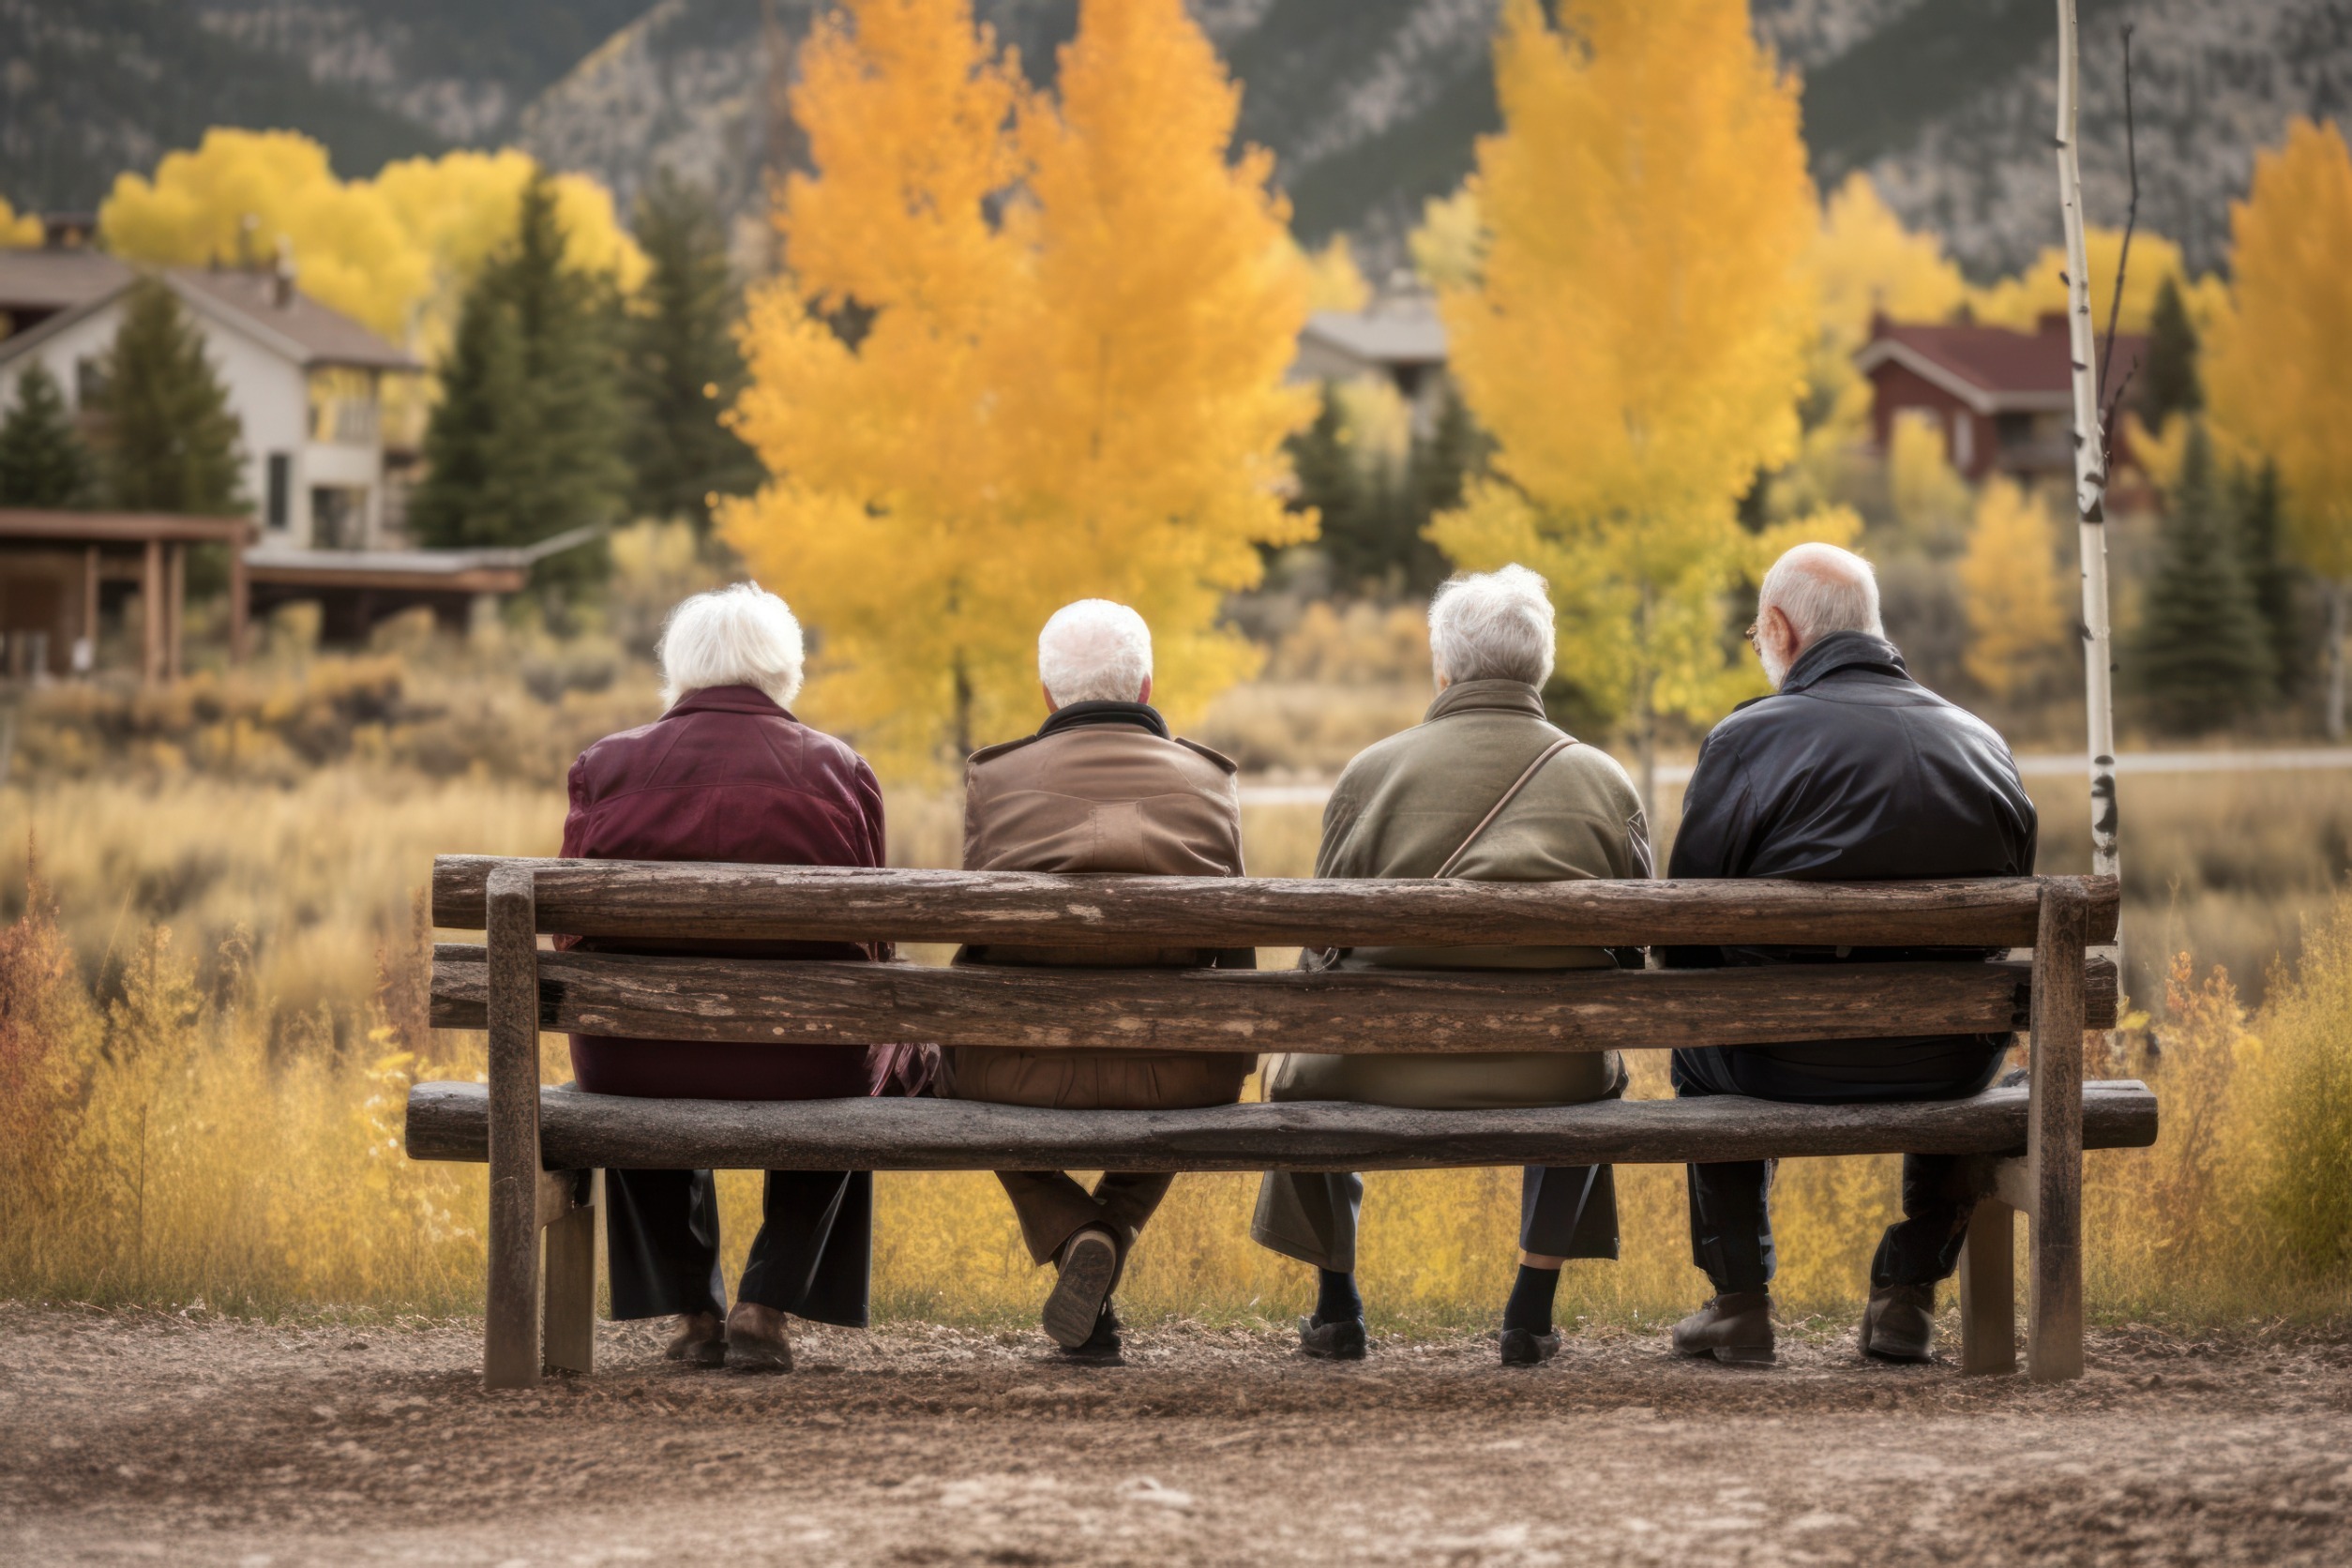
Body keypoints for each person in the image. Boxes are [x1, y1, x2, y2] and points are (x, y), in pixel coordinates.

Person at [1250, 565, 1651, 1367]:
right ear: (1540, 667)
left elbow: (1320, 947)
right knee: (1590, 1062)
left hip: (1372, 1070)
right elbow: (1637, 951)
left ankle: (1337, 1305)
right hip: (1551, 1072)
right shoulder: (1604, 782)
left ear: (1444, 668)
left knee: (1293, 1073)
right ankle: (1529, 1312)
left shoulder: (1370, 774)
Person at [1666, 542, 2038, 1366]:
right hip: (1950, 1063)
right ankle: (1907, 1288)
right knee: (1963, 1021)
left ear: (1778, 628)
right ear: (1872, 628)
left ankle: (1740, 1302)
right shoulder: (1983, 743)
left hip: (1774, 1061)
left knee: (1695, 1039)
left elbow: (1682, 929)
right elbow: (2005, 928)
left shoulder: (1746, 742)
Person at [558, 582, 897, 1373]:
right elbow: (874, 940)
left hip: (636, 1058)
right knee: (867, 1055)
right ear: (785, 671)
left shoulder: (605, 767)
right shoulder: (842, 770)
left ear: (681, 669)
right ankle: (768, 1304)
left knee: (628, 1037)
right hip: (805, 1059)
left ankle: (691, 1307)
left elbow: (572, 935)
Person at [936, 599, 1254, 1362]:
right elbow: (1237, 952)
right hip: (1180, 1072)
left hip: (1017, 1072)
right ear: (1145, 687)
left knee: (947, 1069)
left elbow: (983, 937)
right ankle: (1108, 1228)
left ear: (1047, 694)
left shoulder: (993, 778)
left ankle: (1076, 1230)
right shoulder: (1211, 782)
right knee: (1204, 1058)